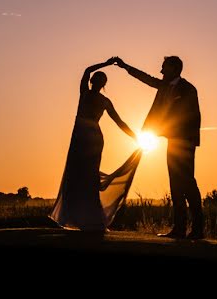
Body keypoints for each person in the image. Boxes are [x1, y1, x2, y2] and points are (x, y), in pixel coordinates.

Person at [114, 55, 203, 239]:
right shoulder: (164, 86)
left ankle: (198, 229)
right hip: (173, 141)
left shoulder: (188, 89)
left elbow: (183, 116)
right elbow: (145, 78)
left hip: (185, 141)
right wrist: (125, 66)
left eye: (164, 68)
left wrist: (160, 130)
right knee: (176, 185)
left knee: (187, 183)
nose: (161, 71)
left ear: (175, 69)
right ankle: (179, 229)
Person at [50, 59, 141, 231]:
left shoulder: (94, 97)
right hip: (84, 137)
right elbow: (119, 122)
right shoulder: (89, 95)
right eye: (97, 80)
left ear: (99, 83)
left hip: (88, 137)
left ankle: (88, 217)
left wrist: (136, 137)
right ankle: (81, 216)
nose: (97, 82)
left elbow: (119, 122)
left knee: (84, 176)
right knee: (79, 175)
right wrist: (136, 137)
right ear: (96, 82)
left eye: (99, 80)